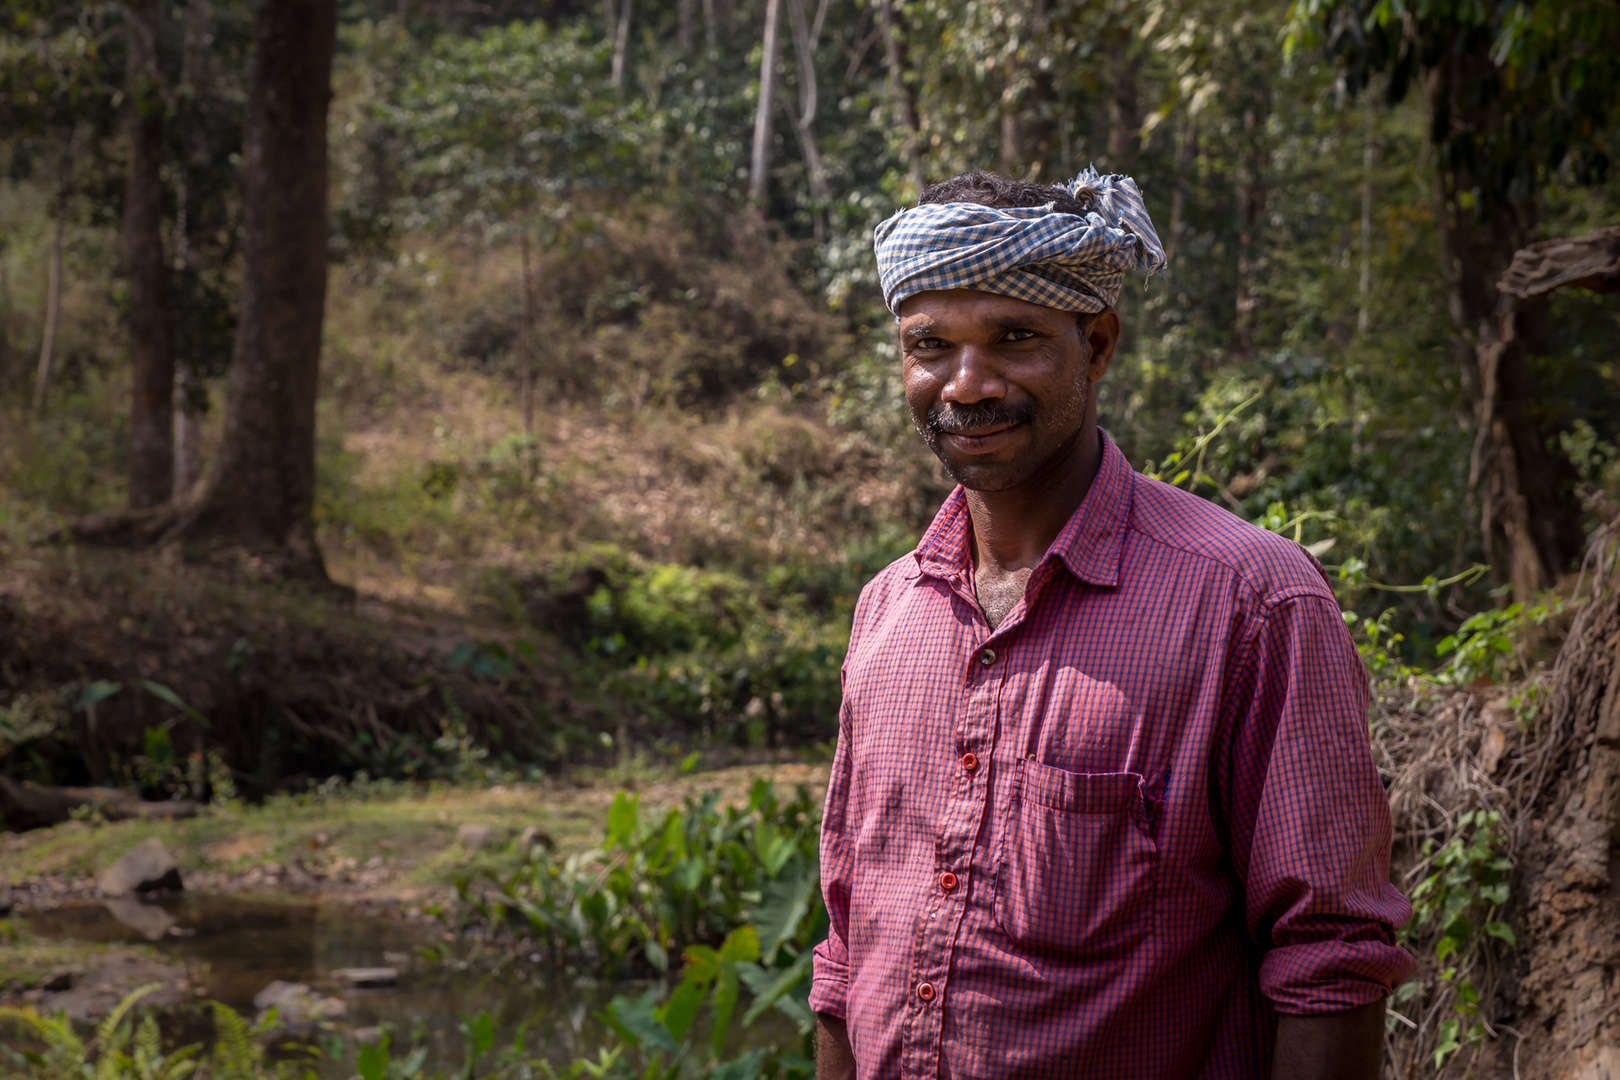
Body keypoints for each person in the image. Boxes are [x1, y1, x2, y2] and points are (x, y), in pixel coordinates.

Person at [809, 169, 1413, 1080]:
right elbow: (848, 951)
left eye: (1014, 338)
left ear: (1096, 346)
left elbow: (1329, 961)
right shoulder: (887, 613)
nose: (966, 385)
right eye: (930, 345)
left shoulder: (1250, 602)